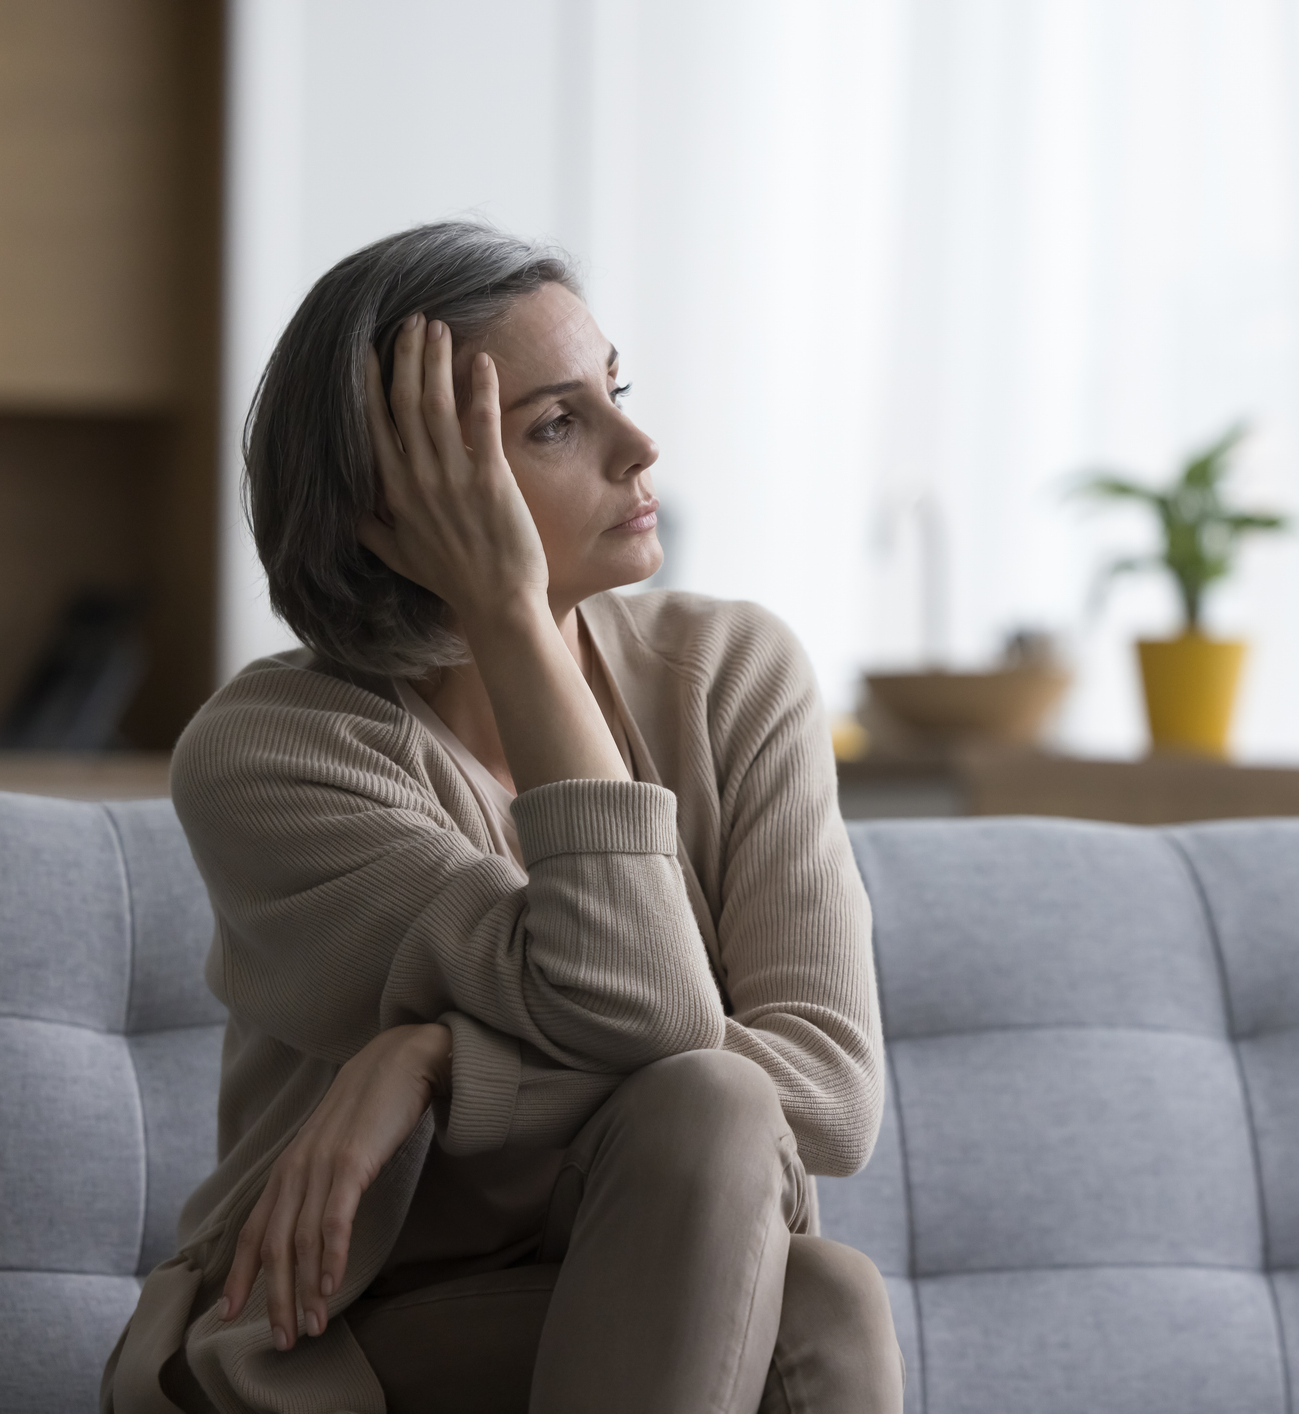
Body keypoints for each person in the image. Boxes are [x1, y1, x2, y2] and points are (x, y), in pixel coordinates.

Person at [101, 221, 900, 1414]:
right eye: (555, 424)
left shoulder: (733, 673)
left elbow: (831, 1098)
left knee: (816, 1286)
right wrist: (514, 618)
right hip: (338, 1346)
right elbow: (647, 1000)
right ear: (396, 502)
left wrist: (435, 1059)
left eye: (614, 390)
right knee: (731, 1116)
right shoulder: (270, 752)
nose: (641, 445)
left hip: (650, 1303)